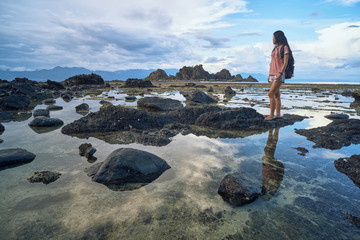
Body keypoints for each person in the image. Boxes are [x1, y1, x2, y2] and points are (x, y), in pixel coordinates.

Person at [265, 30, 292, 120]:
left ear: (277, 37)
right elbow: (271, 63)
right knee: (276, 95)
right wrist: (269, 75)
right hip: (272, 74)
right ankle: (278, 114)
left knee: (270, 93)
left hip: (279, 74)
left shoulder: (284, 48)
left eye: (273, 37)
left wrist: (281, 73)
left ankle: (271, 115)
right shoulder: (274, 49)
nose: (272, 39)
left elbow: (285, 62)